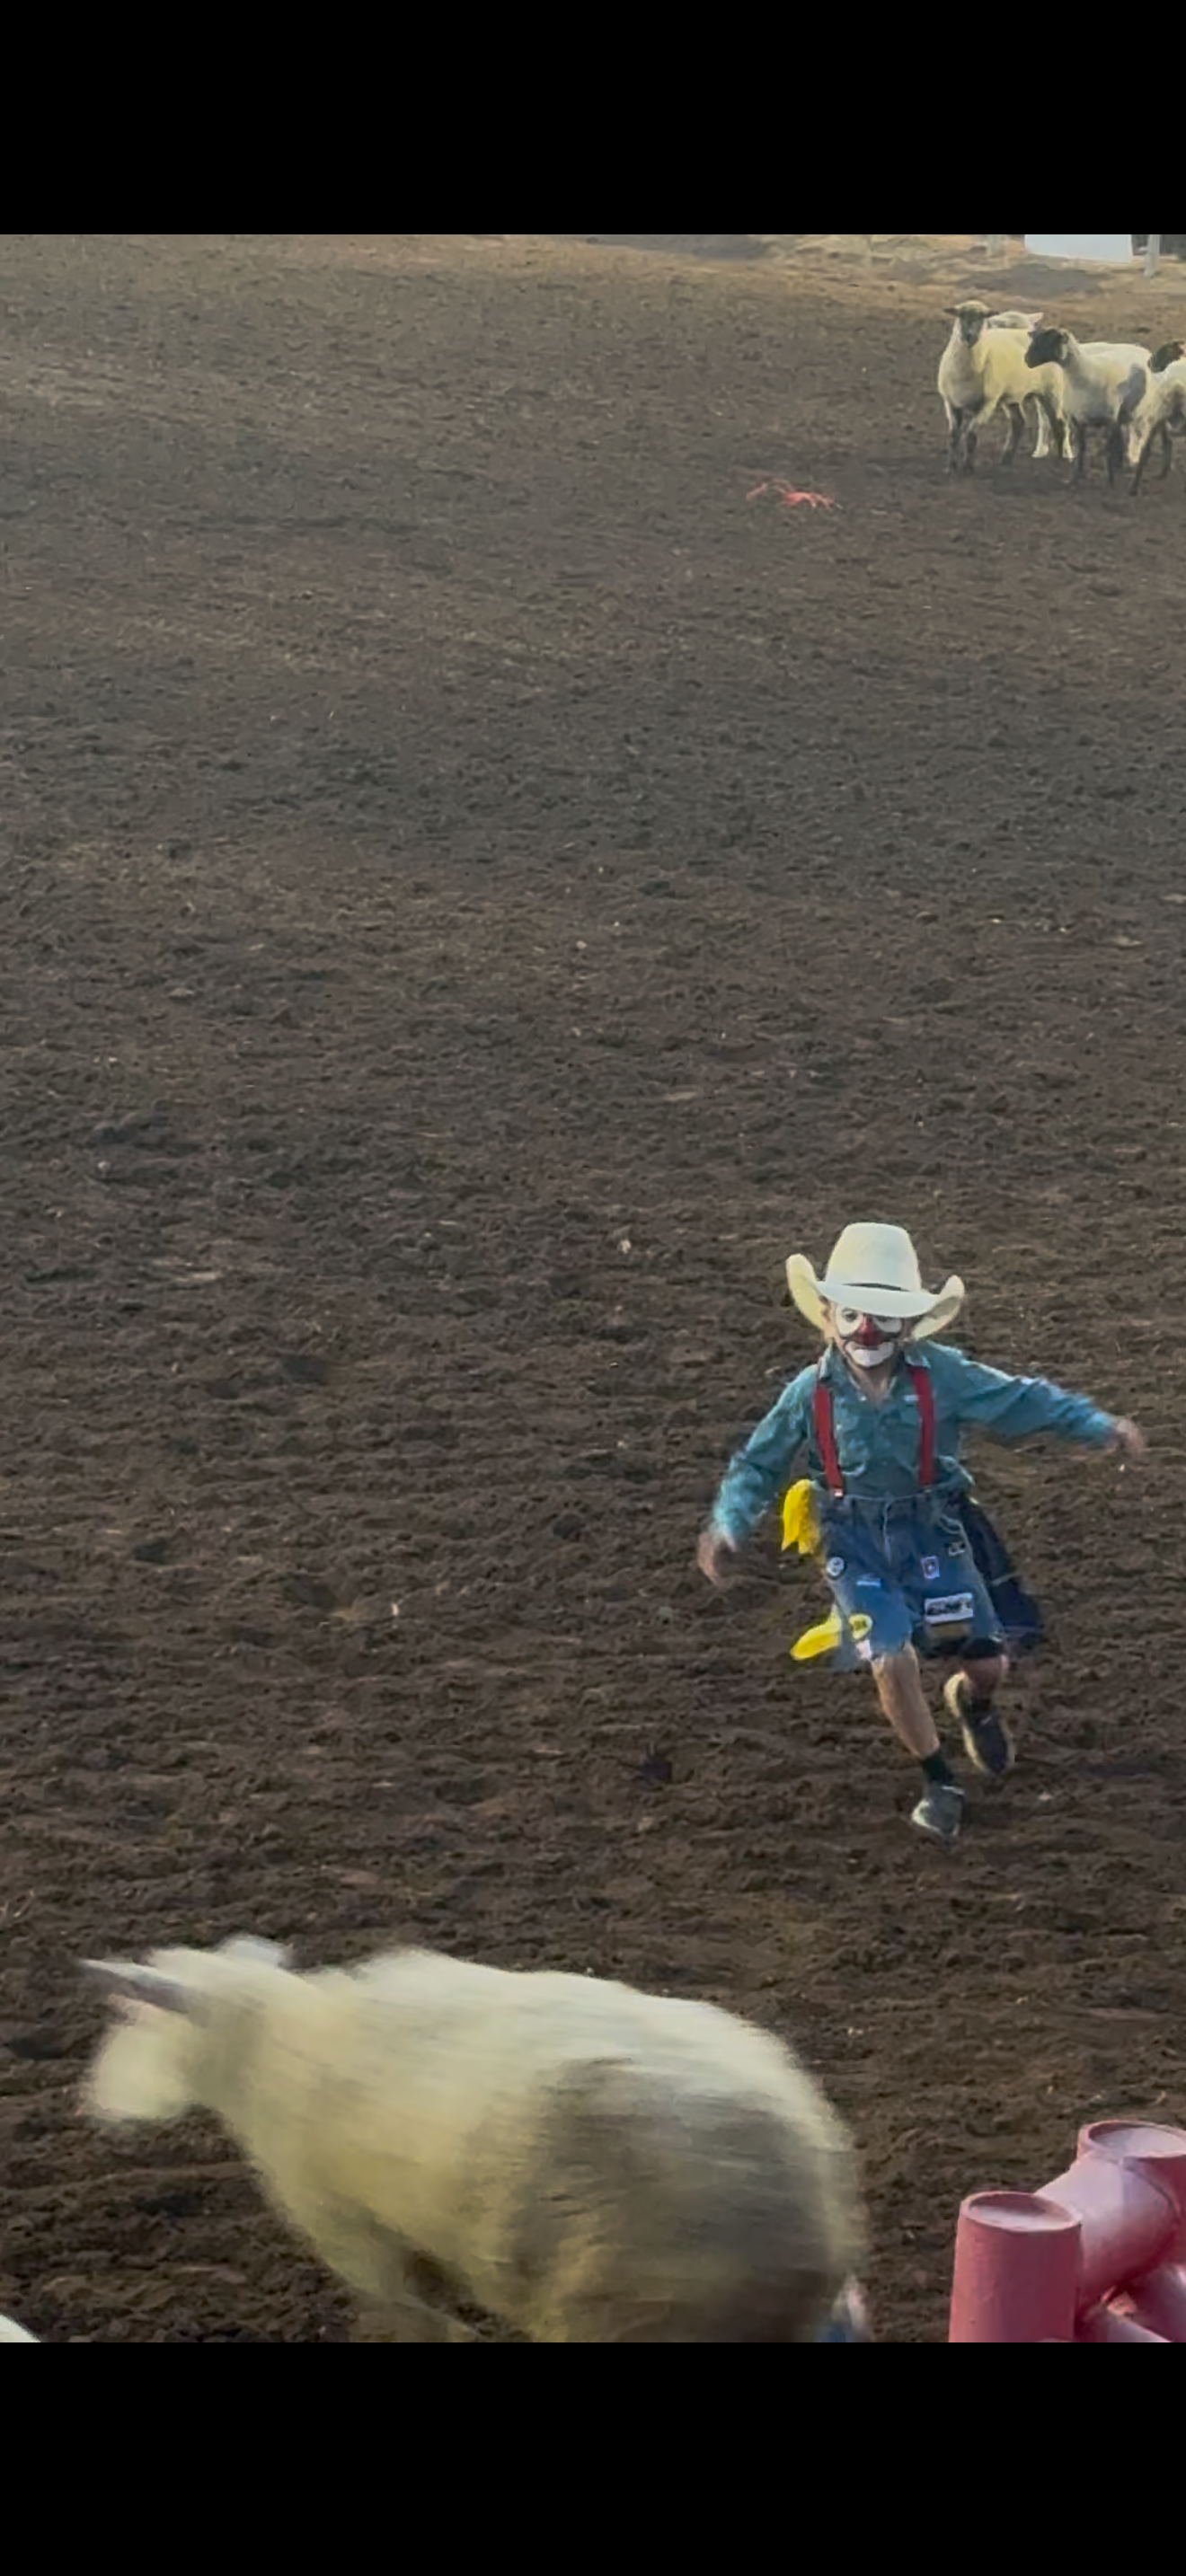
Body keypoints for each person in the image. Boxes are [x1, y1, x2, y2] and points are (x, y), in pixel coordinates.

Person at [697, 1222, 1145, 1845]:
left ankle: (975, 1702)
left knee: (986, 1663)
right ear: (829, 1316)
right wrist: (729, 1522)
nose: (866, 1332)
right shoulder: (809, 1393)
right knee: (892, 1655)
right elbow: (760, 1461)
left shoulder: (945, 1376)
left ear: (907, 1324)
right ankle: (940, 1780)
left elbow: (1023, 1399)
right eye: (853, 1315)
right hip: (851, 1540)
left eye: (882, 1317)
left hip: (935, 1528)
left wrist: (1095, 1425)